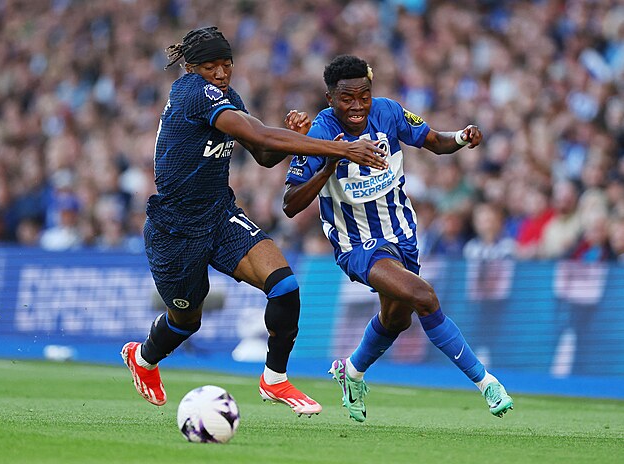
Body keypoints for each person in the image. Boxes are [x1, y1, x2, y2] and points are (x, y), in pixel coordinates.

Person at [121, 28, 388, 417]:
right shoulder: (192, 92)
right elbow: (259, 133)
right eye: (210, 67)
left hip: (219, 214)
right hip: (175, 228)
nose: (220, 73)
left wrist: (291, 138)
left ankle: (274, 379)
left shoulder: (227, 97)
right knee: (186, 321)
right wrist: (343, 148)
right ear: (190, 68)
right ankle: (143, 358)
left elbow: (262, 154)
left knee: (285, 286)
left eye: (225, 64)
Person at [283, 55, 513, 422]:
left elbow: (434, 141)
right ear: (330, 98)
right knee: (423, 296)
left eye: (364, 96)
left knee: (396, 320)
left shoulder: (388, 112)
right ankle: (487, 383)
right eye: (347, 99)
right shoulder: (320, 134)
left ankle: (351, 371)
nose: (357, 106)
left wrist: (461, 137)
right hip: (357, 244)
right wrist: (328, 165)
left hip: (402, 233)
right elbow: (290, 203)